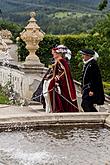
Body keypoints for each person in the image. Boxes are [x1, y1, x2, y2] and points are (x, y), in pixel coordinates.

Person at [43, 45, 79, 113]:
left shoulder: (61, 61)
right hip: (60, 82)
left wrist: (57, 78)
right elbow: (57, 71)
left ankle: (59, 109)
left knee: (56, 90)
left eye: (54, 53)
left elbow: (65, 71)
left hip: (64, 83)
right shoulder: (59, 61)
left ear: (58, 53)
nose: (52, 54)